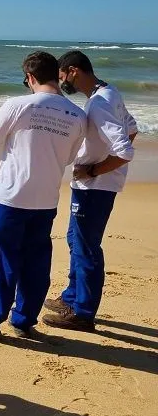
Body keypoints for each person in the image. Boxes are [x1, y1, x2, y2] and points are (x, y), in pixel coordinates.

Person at [0, 51, 86, 340]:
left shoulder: (18, 104)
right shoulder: (77, 115)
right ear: (56, 75)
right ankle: (24, 319)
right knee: (35, 260)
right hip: (46, 199)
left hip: (10, 196)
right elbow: (71, 157)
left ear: (30, 77)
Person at [41, 50, 138, 332]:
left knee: (86, 246)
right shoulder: (109, 93)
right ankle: (72, 298)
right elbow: (132, 129)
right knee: (76, 238)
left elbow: (125, 150)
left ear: (73, 71)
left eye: (62, 77)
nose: (62, 84)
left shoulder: (100, 104)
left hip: (96, 186)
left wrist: (94, 170)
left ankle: (83, 312)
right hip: (95, 184)